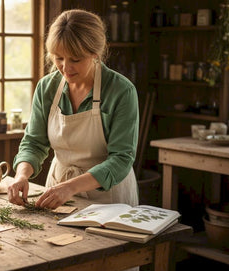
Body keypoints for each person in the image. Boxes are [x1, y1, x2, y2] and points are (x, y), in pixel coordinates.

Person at [8, 9, 139, 210]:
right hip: (58, 191)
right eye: (58, 58)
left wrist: (70, 187)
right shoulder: (47, 87)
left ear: (95, 54)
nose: (65, 68)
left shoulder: (121, 91)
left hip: (108, 198)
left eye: (75, 59)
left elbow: (121, 159)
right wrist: (21, 175)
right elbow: (34, 142)